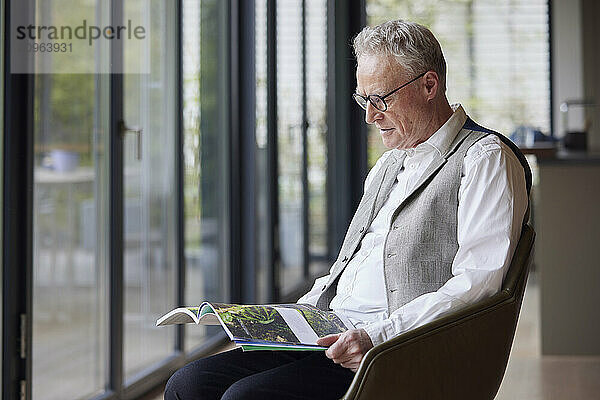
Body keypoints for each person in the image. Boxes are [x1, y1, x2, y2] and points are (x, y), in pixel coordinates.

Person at [164, 19, 530, 400]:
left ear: (429, 85)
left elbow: (478, 285)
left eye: (381, 99)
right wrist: (287, 319)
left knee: (245, 397)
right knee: (186, 385)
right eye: (363, 99)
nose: (370, 116)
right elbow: (348, 269)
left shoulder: (485, 159)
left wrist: (377, 336)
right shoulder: (389, 165)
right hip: (328, 336)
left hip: (391, 352)